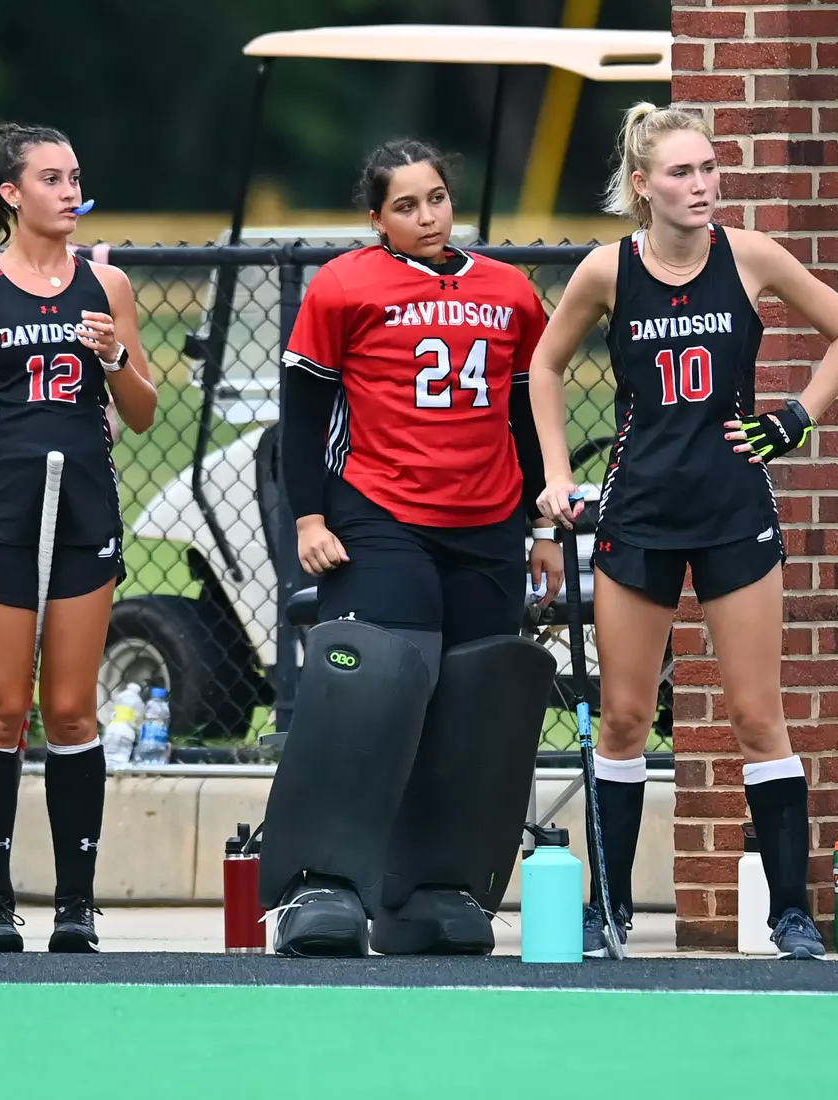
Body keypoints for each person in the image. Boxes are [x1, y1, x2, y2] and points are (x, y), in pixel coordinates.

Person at [530, 103, 838, 961]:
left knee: (760, 716)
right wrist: (557, 476)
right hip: (639, 514)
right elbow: (545, 362)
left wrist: (796, 416)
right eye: (682, 172)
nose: (703, 184)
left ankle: (790, 911)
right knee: (624, 717)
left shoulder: (747, 255)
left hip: (733, 514)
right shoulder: (607, 271)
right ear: (642, 186)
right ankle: (609, 911)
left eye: (710, 168)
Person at [256, 139, 560, 958]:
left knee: (474, 701)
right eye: (405, 206)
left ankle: (435, 885)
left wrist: (540, 528)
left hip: (488, 518)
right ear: (375, 217)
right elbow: (304, 410)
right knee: (377, 685)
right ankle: (320, 884)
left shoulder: (509, 290)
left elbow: (532, 420)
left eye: (435, 199)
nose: (426, 217)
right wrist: (309, 521)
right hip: (381, 511)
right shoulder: (344, 284)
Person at [0, 123, 158, 954]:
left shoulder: (106, 282)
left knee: (73, 709)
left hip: (84, 504)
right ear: (12, 194)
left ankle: (77, 904)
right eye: (51, 179)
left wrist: (119, 356)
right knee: (2, 708)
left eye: (75, 177)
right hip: (4, 508)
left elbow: (144, 413)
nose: (69, 192)